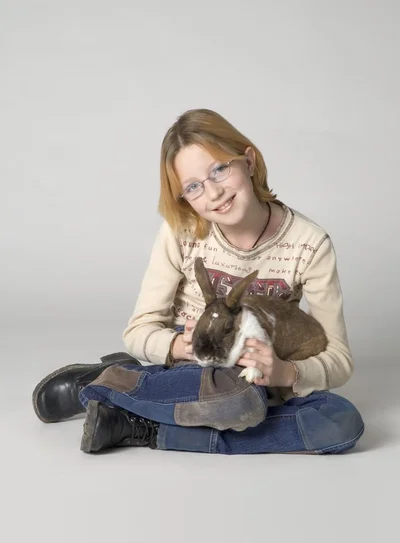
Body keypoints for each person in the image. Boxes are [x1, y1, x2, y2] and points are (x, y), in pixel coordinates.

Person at [32, 108, 364, 455]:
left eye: (220, 169)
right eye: (194, 186)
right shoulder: (182, 233)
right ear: (184, 198)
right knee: (240, 401)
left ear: (248, 162)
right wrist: (179, 348)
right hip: (195, 363)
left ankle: (137, 416)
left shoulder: (309, 244)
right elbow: (138, 331)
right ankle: (107, 384)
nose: (214, 193)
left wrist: (285, 373)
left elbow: (339, 360)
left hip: (258, 379)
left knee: (339, 422)